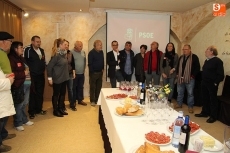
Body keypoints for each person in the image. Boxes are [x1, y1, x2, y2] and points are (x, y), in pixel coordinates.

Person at [8, 41, 34, 131]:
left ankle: (24, 119)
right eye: (21, 48)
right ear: (15, 49)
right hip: (19, 85)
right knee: (19, 104)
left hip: (27, 84)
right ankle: (18, 122)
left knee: (25, 103)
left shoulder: (21, 58)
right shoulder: (11, 58)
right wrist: (23, 73)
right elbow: (12, 73)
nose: (22, 49)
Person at [195, 46, 224, 123]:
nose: (205, 51)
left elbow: (221, 75)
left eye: (207, 50)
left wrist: (215, 83)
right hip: (204, 82)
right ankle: (205, 112)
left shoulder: (218, 61)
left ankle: (213, 116)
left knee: (212, 100)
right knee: (205, 98)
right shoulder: (207, 61)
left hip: (212, 84)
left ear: (212, 52)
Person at [0, 31, 16, 152]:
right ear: (2, 42)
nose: (11, 44)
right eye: (10, 42)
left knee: (4, 116)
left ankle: (3, 134)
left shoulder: (3, 53)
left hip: (6, 85)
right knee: (1, 117)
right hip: (4, 86)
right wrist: (8, 79)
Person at [24, 36, 46, 119]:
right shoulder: (28, 50)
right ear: (32, 42)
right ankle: (31, 112)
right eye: (37, 41)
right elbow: (25, 61)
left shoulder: (42, 50)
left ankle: (39, 109)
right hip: (32, 75)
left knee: (40, 93)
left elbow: (43, 61)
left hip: (41, 75)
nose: (39, 43)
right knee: (33, 94)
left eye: (39, 41)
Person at [47, 38, 69, 117]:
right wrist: (50, 78)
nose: (66, 46)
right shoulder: (56, 55)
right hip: (57, 78)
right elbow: (49, 67)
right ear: (60, 45)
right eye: (64, 45)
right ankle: (55, 110)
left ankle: (60, 108)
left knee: (62, 94)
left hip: (64, 78)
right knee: (56, 94)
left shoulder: (64, 54)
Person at [175, 44, 200, 114]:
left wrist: (193, 76)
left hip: (190, 79)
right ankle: (179, 104)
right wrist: (177, 74)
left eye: (185, 49)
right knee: (179, 92)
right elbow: (178, 66)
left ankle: (190, 107)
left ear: (189, 50)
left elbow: (197, 68)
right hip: (180, 78)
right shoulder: (181, 57)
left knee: (190, 93)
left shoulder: (194, 57)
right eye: (183, 49)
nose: (184, 50)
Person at [72, 41, 87, 110]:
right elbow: (70, 63)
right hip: (74, 74)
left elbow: (85, 61)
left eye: (82, 46)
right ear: (76, 46)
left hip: (81, 73)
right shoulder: (71, 52)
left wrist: (83, 69)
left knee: (81, 87)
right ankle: (74, 101)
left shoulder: (83, 52)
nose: (81, 47)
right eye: (80, 46)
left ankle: (80, 100)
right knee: (74, 88)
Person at [88, 40, 104, 106]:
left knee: (99, 87)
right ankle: (92, 100)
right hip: (93, 73)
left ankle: (97, 99)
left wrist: (102, 68)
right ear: (96, 45)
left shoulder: (101, 52)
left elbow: (102, 60)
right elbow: (90, 64)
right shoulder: (91, 53)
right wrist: (92, 72)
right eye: (100, 45)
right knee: (93, 87)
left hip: (100, 72)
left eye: (101, 45)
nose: (101, 46)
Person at [66, 41, 76, 111]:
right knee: (62, 91)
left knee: (70, 89)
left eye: (68, 45)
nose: (67, 46)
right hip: (62, 75)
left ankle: (72, 104)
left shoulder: (70, 53)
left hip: (70, 74)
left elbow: (73, 64)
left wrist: (74, 73)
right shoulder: (59, 54)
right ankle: (61, 106)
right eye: (65, 45)